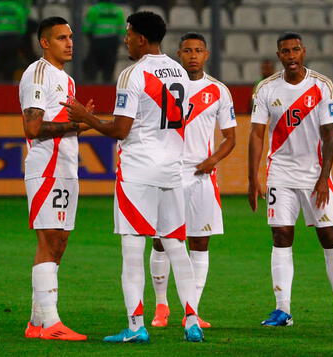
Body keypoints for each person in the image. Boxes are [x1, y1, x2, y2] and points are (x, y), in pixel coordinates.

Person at [62, 11, 205, 343]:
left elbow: (121, 129)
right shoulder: (180, 72)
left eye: (128, 34)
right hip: (172, 167)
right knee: (175, 245)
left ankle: (136, 326)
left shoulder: (133, 74)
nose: (125, 39)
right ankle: (192, 320)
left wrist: (87, 117)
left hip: (139, 169)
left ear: (141, 37)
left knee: (131, 246)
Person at [248, 32, 333, 328]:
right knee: (281, 237)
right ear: (279, 55)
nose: (291, 55)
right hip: (280, 173)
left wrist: (324, 178)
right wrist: (252, 177)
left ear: (304, 51)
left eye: (296, 50)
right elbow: (257, 134)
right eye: (285, 51)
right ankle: (282, 309)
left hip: (314, 175)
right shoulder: (266, 89)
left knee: (330, 237)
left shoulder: (322, 86)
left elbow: (331, 134)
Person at [149, 31, 237, 330]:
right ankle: (161, 306)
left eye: (198, 50)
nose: (193, 55)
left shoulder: (219, 90)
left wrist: (212, 161)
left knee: (200, 242)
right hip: (169, 173)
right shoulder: (166, 87)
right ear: (178, 54)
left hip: (202, 176)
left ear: (207, 54)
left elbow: (230, 137)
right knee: (162, 241)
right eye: (187, 50)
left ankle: (192, 309)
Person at [20, 16, 90, 341]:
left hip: (66, 167)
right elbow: (33, 128)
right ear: (45, 42)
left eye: (71, 37)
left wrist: (81, 121)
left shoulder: (69, 80)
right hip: (45, 167)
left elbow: (65, 123)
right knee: (48, 240)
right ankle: (52, 324)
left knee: (60, 242)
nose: (70, 43)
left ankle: (36, 322)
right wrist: (75, 125)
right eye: (61, 38)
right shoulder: (37, 74)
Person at [82, 0, 126, 82]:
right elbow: (122, 30)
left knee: (92, 69)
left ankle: (90, 88)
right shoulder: (118, 10)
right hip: (112, 42)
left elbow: (86, 28)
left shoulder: (94, 10)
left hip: (97, 42)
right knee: (109, 70)